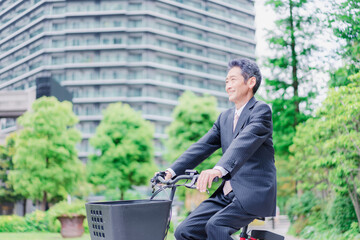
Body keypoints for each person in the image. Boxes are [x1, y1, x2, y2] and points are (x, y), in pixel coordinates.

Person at [163, 58, 277, 240]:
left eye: (233, 80)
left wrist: (218, 169)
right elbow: (202, 146)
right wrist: (170, 171)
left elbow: (243, 143)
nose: (228, 85)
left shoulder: (261, 111)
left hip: (252, 192)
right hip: (226, 194)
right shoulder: (224, 117)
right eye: (226, 81)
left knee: (216, 226)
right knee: (184, 231)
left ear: (251, 82)